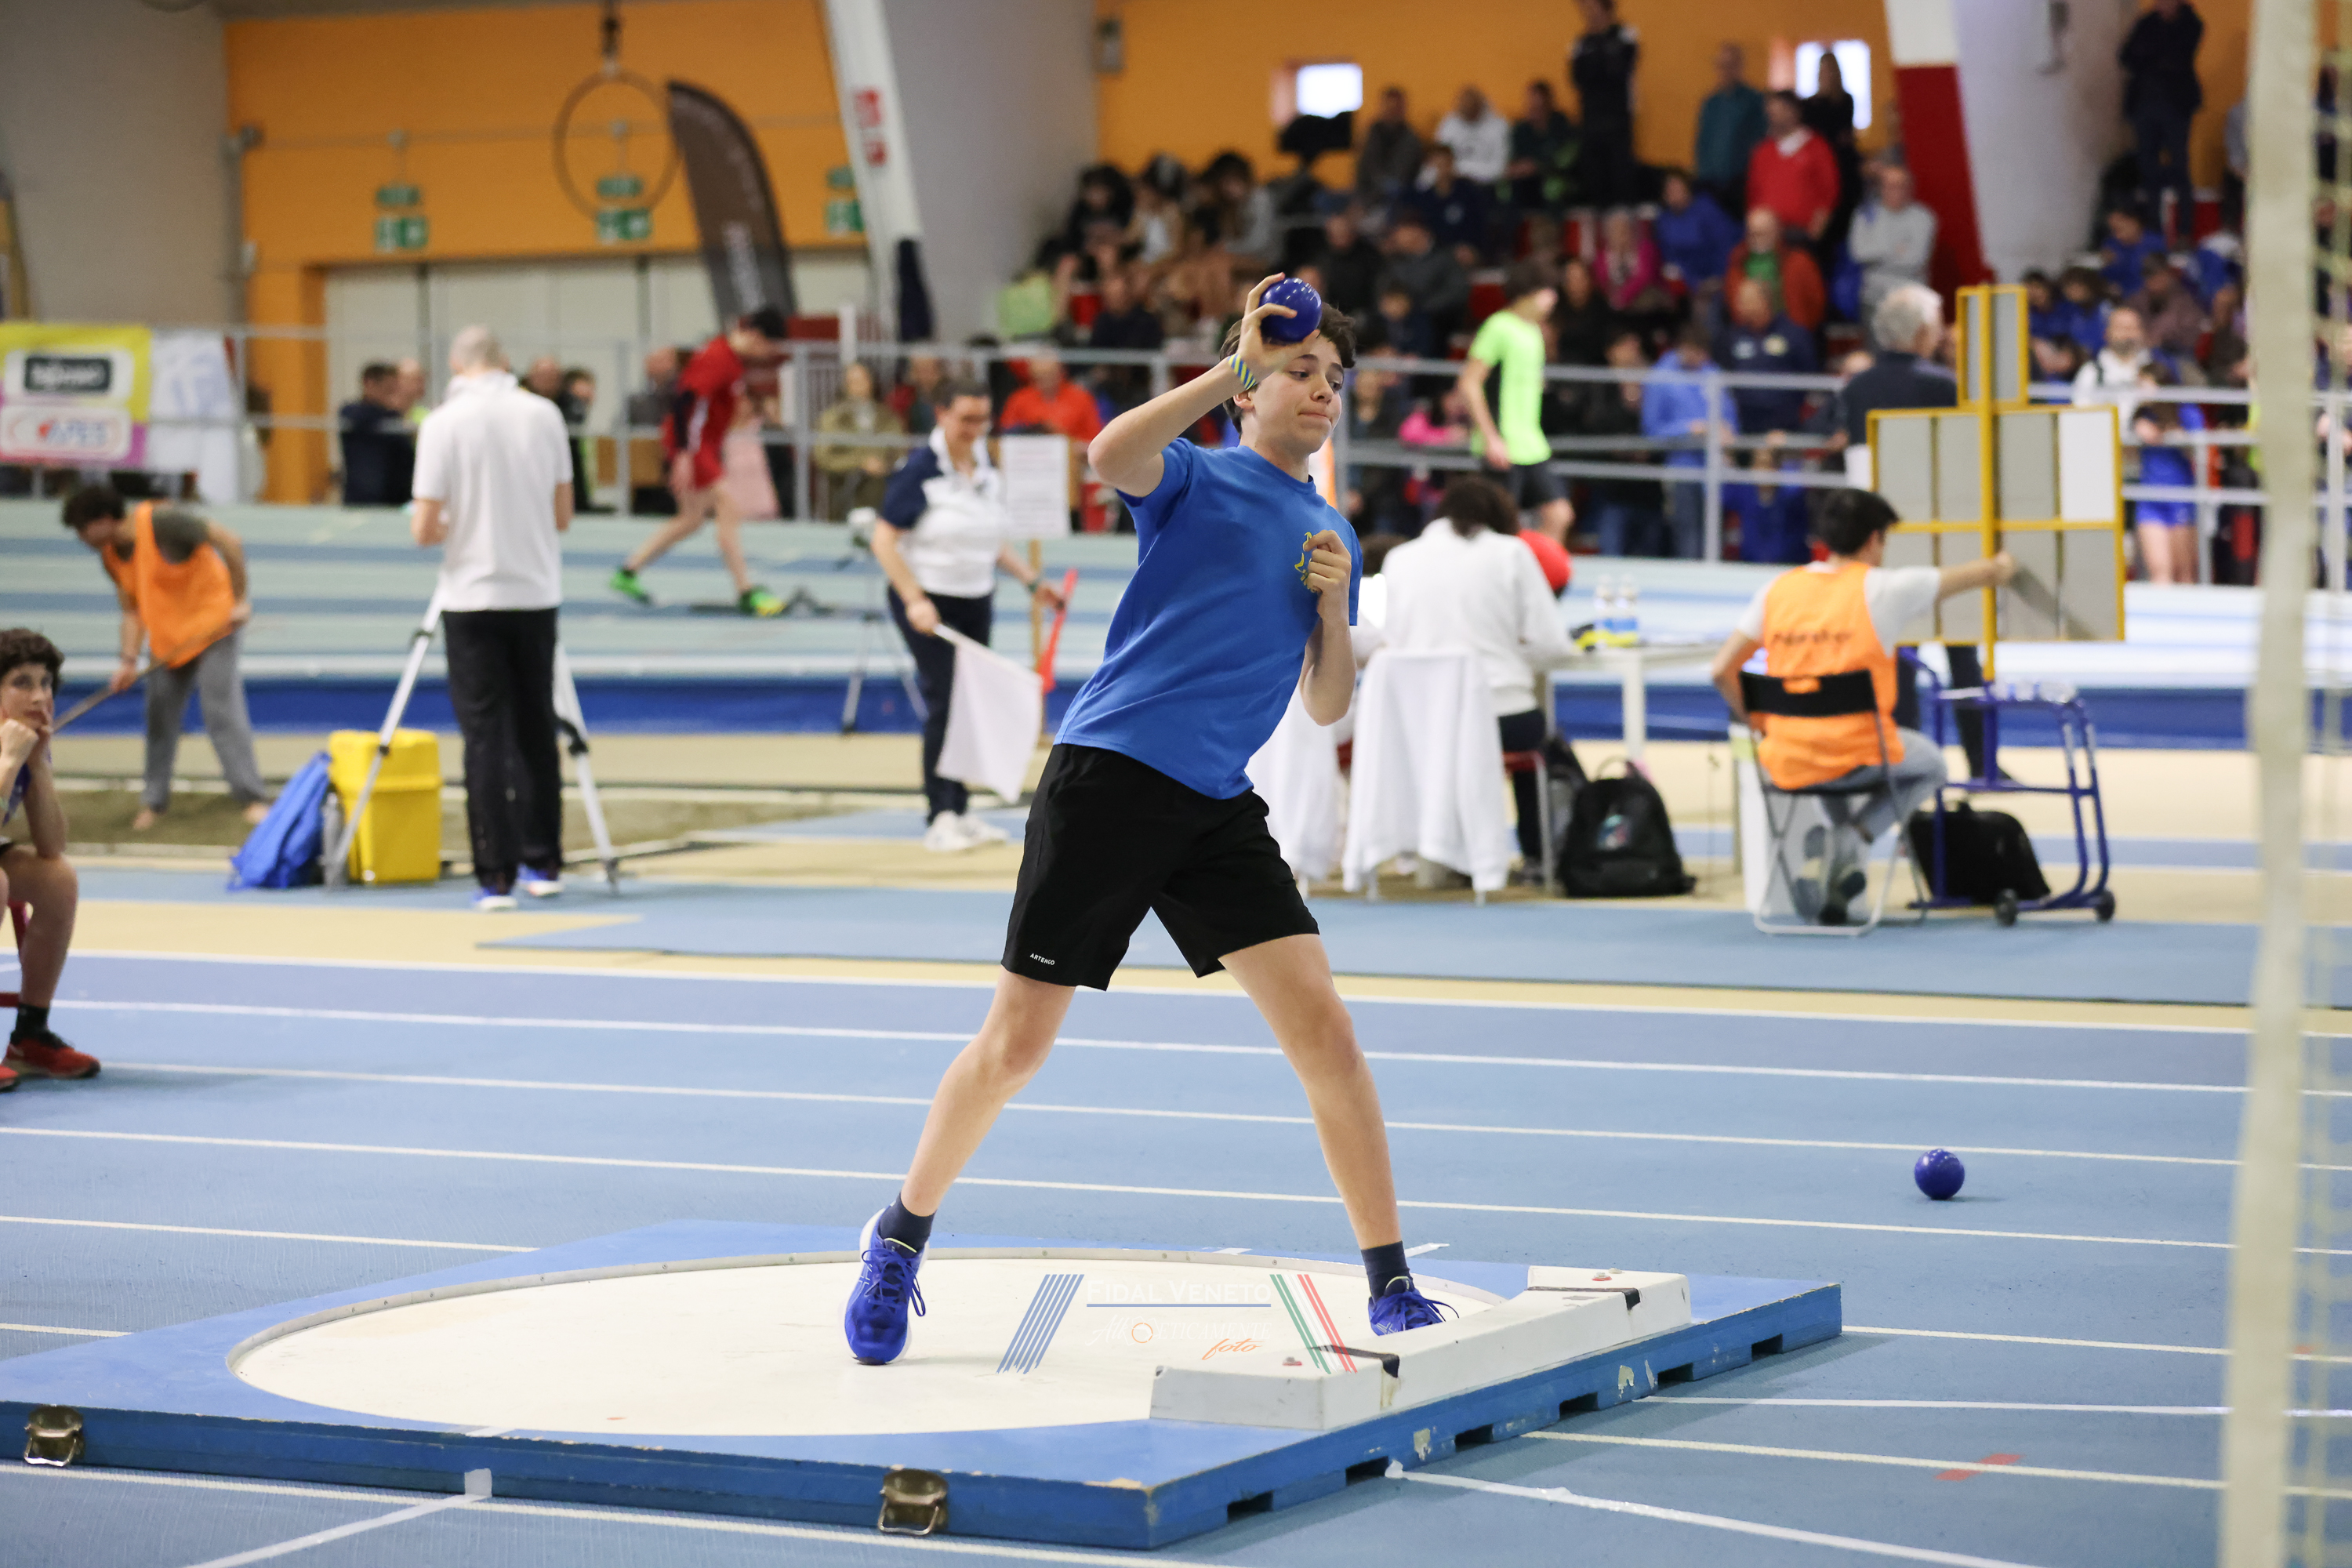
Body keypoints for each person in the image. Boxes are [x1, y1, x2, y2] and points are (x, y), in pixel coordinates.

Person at [839, 276, 1451, 1368]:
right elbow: (1107, 455)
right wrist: (1237, 360)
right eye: (1300, 371)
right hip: (1111, 780)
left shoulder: (1332, 533)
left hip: (1216, 805)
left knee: (1328, 1035)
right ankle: (899, 1235)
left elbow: (1325, 703)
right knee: (1017, 1046)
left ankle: (1389, 1277)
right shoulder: (1196, 474)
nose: (1323, 390)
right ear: (1248, 389)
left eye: (1334, 378)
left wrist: (1329, 605)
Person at [1711, 488, 2017, 924]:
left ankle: (1835, 843)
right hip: (1857, 749)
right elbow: (1974, 575)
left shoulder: (1776, 590)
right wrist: (2004, 565)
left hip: (1787, 756)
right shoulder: (1885, 589)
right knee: (1932, 766)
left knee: (1824, 765)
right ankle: (1854, 839)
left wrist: (1759, 724)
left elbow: (1721, 670)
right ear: (1875, 540)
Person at [409, 325, 574, 912]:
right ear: (505, 361)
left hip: (471, 596)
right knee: (536, 729)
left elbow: (423, 529)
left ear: (458, 366)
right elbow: (563, 514)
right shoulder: (545, 415)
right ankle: (543, 861)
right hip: (534, 591)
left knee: (484, 737)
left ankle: (494, 876)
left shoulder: (442, 424)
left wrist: (458, 522)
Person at [871, 381, 1065, 853]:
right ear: (941, 414)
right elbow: (883, 539)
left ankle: (961, 810)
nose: (975, 429)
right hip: (929, 602)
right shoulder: (920, 470)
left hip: (976, 598)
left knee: (970, 704)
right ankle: (939, 814)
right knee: (946, 700)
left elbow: (991, 539)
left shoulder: (985, 468)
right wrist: (914, 598)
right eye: (966, 420)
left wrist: (1031, 581)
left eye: (983, 419)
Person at [1380, 474, 1574, 878]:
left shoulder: (1400, 559)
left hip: (1420, 721)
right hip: (1502, 717)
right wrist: (1512, 650)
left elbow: (1392, 640)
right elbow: (1553, 644)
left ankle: (1439, 849)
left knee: (1454, 747)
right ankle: (1539, 855)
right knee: (1542, 741)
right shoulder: (1511, 553)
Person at [62, 485, 267, 832]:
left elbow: (229, 541)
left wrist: (240, 600)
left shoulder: (163, 522)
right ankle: (154, 802)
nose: (81, 538)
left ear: (104, 519)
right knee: (159, 717)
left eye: (82, 529)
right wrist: (128, 662)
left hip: (215, 627)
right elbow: (131, 610)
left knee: (220, 712)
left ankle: (252, 797)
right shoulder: (111, 556)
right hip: (169, 641)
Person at [609, 307, 789, 615]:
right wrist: (683, 454)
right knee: (729, 507)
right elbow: (685, 402)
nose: (768, 355)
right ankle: (746, 591)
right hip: (694, 448)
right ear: (757, 337)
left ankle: (628, 572)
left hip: (700, 446)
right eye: (769, 348)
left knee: (691, 519)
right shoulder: (718, 358)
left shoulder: (728, 357)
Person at [0, 628, 99, 1086]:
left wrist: (37, 765)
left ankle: (30, 1035)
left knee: (58, 878)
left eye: (45, 684)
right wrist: (7, 762)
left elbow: (51, 845)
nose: (40, 696)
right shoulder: (9, 745)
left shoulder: (26, 740)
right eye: (22, 683)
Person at [1459, 260, 1572, 543]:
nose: (1553, 298)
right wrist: (1491, 438)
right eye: (1547, 290)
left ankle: (1533, 569)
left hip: (1532, 444)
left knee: (1559, 514)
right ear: (1527, 292)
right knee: (1501, 529)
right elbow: (1470, 383)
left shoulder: (1534, 331)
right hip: (1503, 444)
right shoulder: (1498, 327)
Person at [1642, 323, 1736, 559]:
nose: (1699, 359)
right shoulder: (1661, 377)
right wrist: (1689, 429)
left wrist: (1728, 433)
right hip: (1681, 469)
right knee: (1687, 538)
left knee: (1715, 538)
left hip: (1715, 469)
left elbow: (1730, 418)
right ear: (1683, 349)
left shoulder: (1712, 373)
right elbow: (1651, 432)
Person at [2120, 0, 2205, 245]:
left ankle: (2184, 231)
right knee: (2149, 170)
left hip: (2176, 106)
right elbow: (2126, 57)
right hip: (2144, 105)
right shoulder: (2146, 23)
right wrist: (2151, 55)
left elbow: (2177, 58)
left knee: (2179, 168)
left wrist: (2149, 54)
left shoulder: (2191, 23)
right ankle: (2154, 232)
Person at [1581, 328, 1664, 557]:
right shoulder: (1601, 384)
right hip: (1613, 486)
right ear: (1611, 352)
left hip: (1649, 484)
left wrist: (1649, 447)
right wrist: (1618, 445)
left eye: (1633, 344)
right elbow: (1594, 424)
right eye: (1624, 345)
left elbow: (1662, 423)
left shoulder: (1654, 380)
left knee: (1650, 556)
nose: (1631, 350)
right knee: (1611, 552)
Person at [2130, 363, 2202, 584]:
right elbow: (2127, 454)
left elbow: (2202, 453)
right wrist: (2137, 430)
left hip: (2181, 498)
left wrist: (2177, 438)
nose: (2140, 391)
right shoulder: (2141, 416)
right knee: (2159, 571)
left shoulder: (2186, 413)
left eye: (2144, 385)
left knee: (2185, 573)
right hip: (2151, 500)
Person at [1715, 276, 1817, 434]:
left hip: (1785, 427)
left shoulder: (1794, 335)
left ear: (1764, 302)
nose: (1739, 306)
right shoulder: (1731, 338)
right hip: (1743, 426)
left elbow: (1809, 374)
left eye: (1745, 301)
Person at [1745, 91, 1840, 249]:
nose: (1773, 116)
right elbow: (1753, 193)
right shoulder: (1762, 151)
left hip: (1802, 234)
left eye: (1779, 111)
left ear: (1794, 112)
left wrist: (1818, 228)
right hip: (1767, 237)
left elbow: (1829, 191)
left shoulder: (1816, 147)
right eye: (1771, 112)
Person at [1570, 0, 1640, 208]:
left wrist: (1600, 54)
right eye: (1584, 8)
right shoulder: (1581, 43)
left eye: (1592, 7)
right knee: (1595, 180)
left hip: (1618, 120)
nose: (1588, 13)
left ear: (1605, 7)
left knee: (1620, 179)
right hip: (1591, 120)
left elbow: (1619, 71)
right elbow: (1578, 79)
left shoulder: (1626, 35)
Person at [814, 361, 905, 520]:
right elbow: (823, 458)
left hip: (883, 492)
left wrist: (884, 465)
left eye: (862, 380)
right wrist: (860, 462)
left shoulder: (887, 417)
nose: (858, 386)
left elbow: (901, 452)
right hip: (844, 491)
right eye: (852, 382)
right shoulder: (832, 419)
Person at [1848, 165, 1938, 322]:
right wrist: (1896, 250)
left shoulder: (1924, 217)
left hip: (1913, 301)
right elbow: (1858, 254)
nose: (1897, 192)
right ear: (1881, 189)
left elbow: (1915, 261)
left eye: (1902, 186)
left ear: (1911, 188)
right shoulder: (1865, 215)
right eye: (1891, 186)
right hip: (1874, 300)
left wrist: (1876, 257)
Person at [1725, 206, 1826, 333]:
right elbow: (1733, 303)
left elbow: (1816, 304)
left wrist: (1800, 330)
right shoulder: (1738, 261)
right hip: (1750, 332)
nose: (1757, 238)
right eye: (1752, 234)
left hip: (1793, 331)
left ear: (1777, 232)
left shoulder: (1799, 263)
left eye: (1763, 233)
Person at [1694, 42, 1767, 216]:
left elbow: (1759, 141)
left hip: (1740, 181)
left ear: (1740, 67)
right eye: (1721, 66)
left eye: (1730, 65)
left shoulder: (1754, 101)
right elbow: (1703, 141)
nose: (1725, 71)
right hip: (1710, 181)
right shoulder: (1711, 103)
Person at [1800, 53, 1864, 251]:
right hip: (1819, 166)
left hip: (1843, 167)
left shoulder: (1845, 100)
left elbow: (1844, 136)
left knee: (1844, 217)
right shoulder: (1809, 105)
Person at [1381, 212, 1470, 346]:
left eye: (1399, 231)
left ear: (1417, 230)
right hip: (1400, 326)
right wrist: (1390, 303)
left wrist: (1419, 307)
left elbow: (1459, 292)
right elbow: (1384, 290)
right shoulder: (1396, 262)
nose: (1395, 237)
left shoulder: (1445, 258)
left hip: (1438, 327)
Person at [1654, 169, 1741, 299]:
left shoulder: (1706, 209)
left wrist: (1718, 276)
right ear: (1664, 196)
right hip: (1689, 283)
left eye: (1679, 188)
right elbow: (1670, 257)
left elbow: (1725, 243)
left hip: (1719, 275)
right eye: (1670, 190)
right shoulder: (1664, 221)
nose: (1676, 194)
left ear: (1688, 190)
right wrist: (1694, 282)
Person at [338, 361, 413, 506]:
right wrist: (393, 413)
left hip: (394, 500)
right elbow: (357, 416)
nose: (392, 396)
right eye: (388, 389)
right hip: (362, 499)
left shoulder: (395, 418)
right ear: (370, 384)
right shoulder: (354, 414)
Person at [1503, 80, 1579, 215]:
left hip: (1552, 178)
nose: (1535, 109)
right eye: (1531, 105)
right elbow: (1512, 158)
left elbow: (1566, 159)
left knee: (1554, 190)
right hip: (1525, 181)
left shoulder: (1562, 126)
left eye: (1539, 106)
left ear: (1549, 104)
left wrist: (1538, 166)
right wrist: (1515, 168)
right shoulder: (1521, 130)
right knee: (1510, 193)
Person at [1410, 143, 1494, 266]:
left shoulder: (1468, 191)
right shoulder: (1422, 196)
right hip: (1434, 251)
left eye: (1443, 164)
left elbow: (1479, 224)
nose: (1439, 170)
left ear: (1451, 165)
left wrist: (1469, 246)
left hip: (1466, 248)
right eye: (1434, 165)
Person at [2072, 306, 2154, 419]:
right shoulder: (2092, 372)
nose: (2127, 334)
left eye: (2133, 328)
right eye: (2121, 328)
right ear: (2106, 333)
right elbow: (2081, 413)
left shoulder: (2157, 368)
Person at [1355, 85, 1425, 209]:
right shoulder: (1372, 134)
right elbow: (1365, 168)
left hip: (1399, 199)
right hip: (1367, 195)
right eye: (1388, 107)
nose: (1392, 112)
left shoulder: (1410, 138)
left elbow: (1401, 175)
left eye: (1396, 108)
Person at [1310, 205, 1385, 318]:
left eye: (1344, 232)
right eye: (1336, 234)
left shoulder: (1369, 255)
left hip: (1366, 312)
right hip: (1331, 312)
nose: (1340, 237)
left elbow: (1379, 285)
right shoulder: (1321, 259)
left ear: (1353, 233)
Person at [2127, 255, 2208, 358]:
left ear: (2168, 276)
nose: (2156, 283)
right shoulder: (2136, 300)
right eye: (2151, 278)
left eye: (2161, 277)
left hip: (2176, 356)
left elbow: (2192, 338)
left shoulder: (2185, 302)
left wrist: (2162, 339)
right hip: (2139, 354)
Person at [1550, 255, 1619, 367]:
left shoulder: (1602, 307)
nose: (1576, 284)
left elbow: (1610, 342)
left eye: (1581, 278)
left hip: (1597, 368)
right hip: (1562, 368)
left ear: (1590, 280)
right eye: (1571, 279)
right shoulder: (1555, 307)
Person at [1434, 85, 1509, 187]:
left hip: (1487, 185)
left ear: (1480, 107)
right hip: (1454, 184)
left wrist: (1463, 171)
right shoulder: (1449, 124)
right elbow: (1439, 160)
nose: (1467, 111)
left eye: (1471, 109)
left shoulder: (1498, 125)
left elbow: (1500, 168)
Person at [1595, 208, 1663, 315]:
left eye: (1625, 229)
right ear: (1608, 234)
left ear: (1633, 230)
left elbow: (1645, 277)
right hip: (1614, 308)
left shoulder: (1646, 249)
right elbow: (1603, 284)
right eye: (1615, 230)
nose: (1620, 235)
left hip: (1646, 306)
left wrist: (1622, 298)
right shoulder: (1602, 257)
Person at [2100, 207, 2168, 298]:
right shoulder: (2112, 244)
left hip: (2144, 298)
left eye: (2119, 229)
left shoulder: (2155, 244)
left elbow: (2154, 280)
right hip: (2115, 296)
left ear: (2134, 222)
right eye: (2112, 230)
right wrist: (2107, 263)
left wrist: (2124, 290)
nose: (2116, 236)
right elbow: (2107, 276)